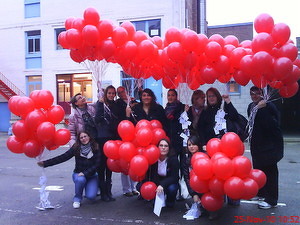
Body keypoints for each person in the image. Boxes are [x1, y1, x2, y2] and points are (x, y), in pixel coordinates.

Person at [37, 131, 101, 209]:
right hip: (78, 174)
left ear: (89, 137)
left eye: (85, 136)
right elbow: (63, 157)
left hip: (91, 175)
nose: (84, 139)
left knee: (91, 197)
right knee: (80, 180)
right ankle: (77, 199)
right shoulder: (76, 147)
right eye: (81, 137)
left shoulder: (95, 147)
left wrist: (85, 173)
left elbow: (97, 164)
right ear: (79, 139)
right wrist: (45, 163)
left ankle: (91, 186)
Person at [247, 86, 283, 209]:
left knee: (270, 173)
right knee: (258, 170)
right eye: (252, 94)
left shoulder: (269, 106)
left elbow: (273, 125)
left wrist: (263, 109)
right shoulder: (251, 106)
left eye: (257, 93)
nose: (254, 96)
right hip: (257, 147)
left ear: (262, 94)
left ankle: (272, 200)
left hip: (270, 147)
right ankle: (261, 193)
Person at [137, 138, 180, 208]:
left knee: (172, 188)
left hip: (168, 182)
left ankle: (170, 200)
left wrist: (162, 185)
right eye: (161, 145)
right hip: (156, 182)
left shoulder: (173, 159)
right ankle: (154, 198)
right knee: (139, 186)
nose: (163, 148)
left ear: (169, 148)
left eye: (166, 146)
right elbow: (149, 174)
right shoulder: (153, 158)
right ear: (157, 147)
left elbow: (174, 177)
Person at [95, 85, 120, 202]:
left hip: (112, 138)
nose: (111, 95)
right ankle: (103, 192)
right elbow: (97, 119)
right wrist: (100, 104)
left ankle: (109, 192)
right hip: (102, 139)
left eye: (113, 93)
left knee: (109, 166)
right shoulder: (100, 104)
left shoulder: (115, 105)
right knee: (101, 166)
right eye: (109, 93)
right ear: (105, 94)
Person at [115, 86, 139, 197]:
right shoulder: (118, 104)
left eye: (122, 91)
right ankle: (126, 189)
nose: (121, 94)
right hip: (124, 133)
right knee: (124, 162)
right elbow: (119, 119)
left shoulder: (133, 100)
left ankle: (134, 187)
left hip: (135, 134)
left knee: (134, 161)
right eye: (119, 92)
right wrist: (127, 113)